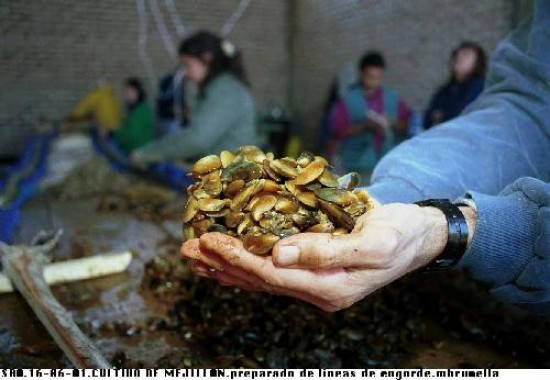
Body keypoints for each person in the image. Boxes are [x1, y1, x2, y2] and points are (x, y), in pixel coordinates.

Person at [182, 0, 550, 314]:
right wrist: (395, 193)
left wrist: (465, 231)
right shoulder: (349, 102)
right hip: (369, 170)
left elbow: (406, 119)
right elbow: (528, 110)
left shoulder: (390, 98)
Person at [131, 31, 256, 165]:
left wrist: (145, 154)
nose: (185, 72)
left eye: (188, 65)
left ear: (207, 58)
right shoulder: (223, 87)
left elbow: (197, 140)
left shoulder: (225, 90)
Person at [329, 52, 412, 175]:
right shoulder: (348, 100)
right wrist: (364, 126)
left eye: (378, 78)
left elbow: (407, 125)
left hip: (387, 163)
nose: (374, 82)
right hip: (357, 165)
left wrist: (392, 122)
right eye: (370, 77)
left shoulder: (391, 97)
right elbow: (338, 131)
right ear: (361, 74)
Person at [424, 41, 487, 129]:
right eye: (458, 54)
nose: (460, 58)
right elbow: (427, 118)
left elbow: (462, 115)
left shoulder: (478, 87)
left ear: (477, 62)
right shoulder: (446, 89)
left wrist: (442, 116)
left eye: (466, 55)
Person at [112, 78, 155, 154]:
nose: (127, 96)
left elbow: (133, 137)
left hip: (138, 154)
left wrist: (114, 132)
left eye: (129, 92)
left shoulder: (142, 111)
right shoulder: (134, 111)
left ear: (137, 92)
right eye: (126, 93)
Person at [156, 67, 187, 135]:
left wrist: (183, 109)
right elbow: (162, 100)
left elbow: (179, 100)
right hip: (169, 119)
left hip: (176, 120)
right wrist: (172, 108)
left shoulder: (180, 83)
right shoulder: (168, 82)